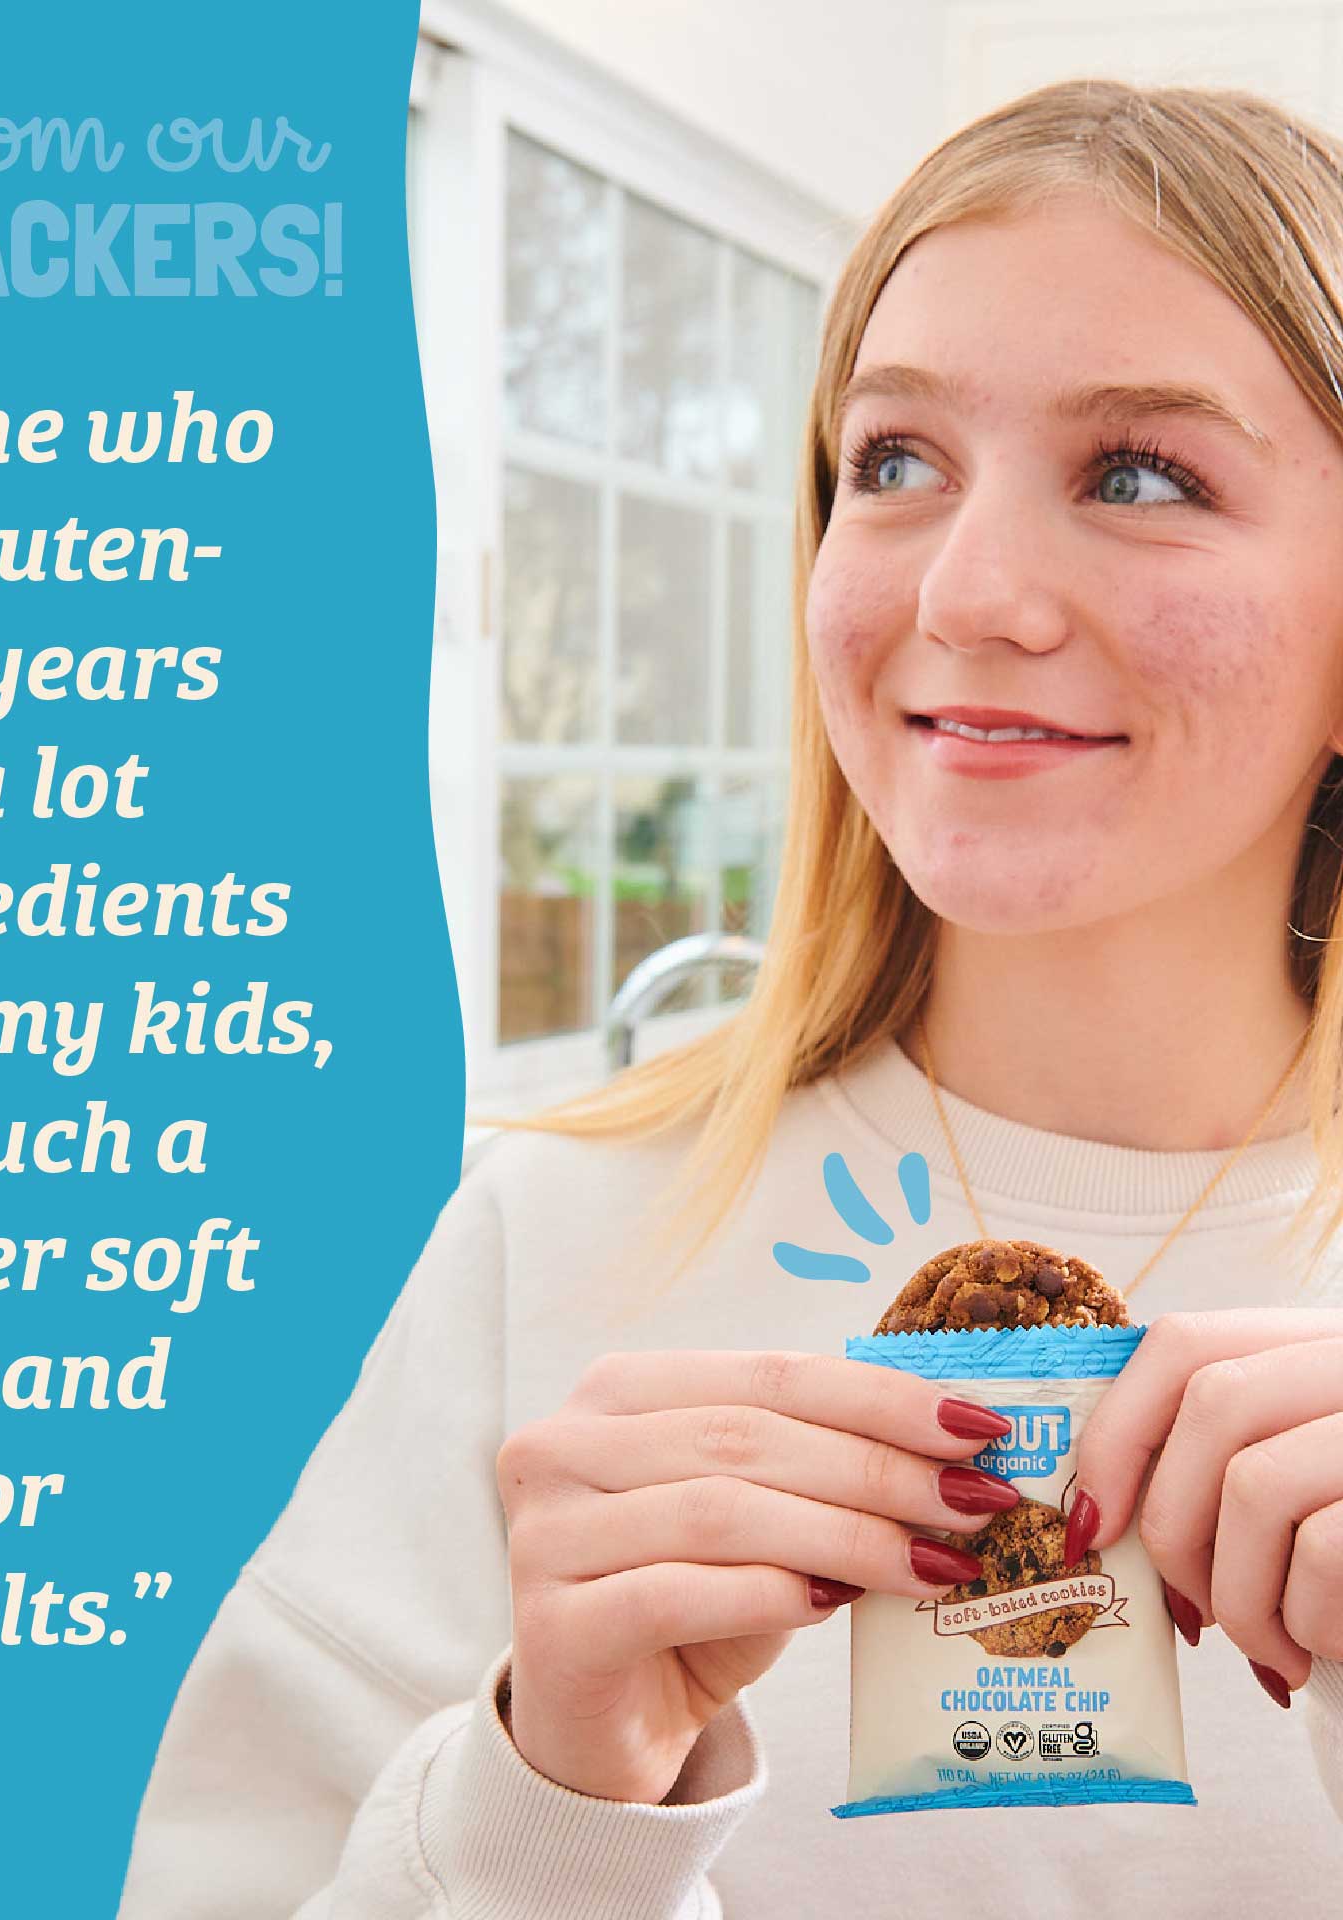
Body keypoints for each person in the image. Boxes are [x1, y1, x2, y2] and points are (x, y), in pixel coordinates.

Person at [116, 77, 1343, 1916]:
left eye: (1142, 476)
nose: (971, 588)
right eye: (896, 463)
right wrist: (554, 1807)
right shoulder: (557, 1245)